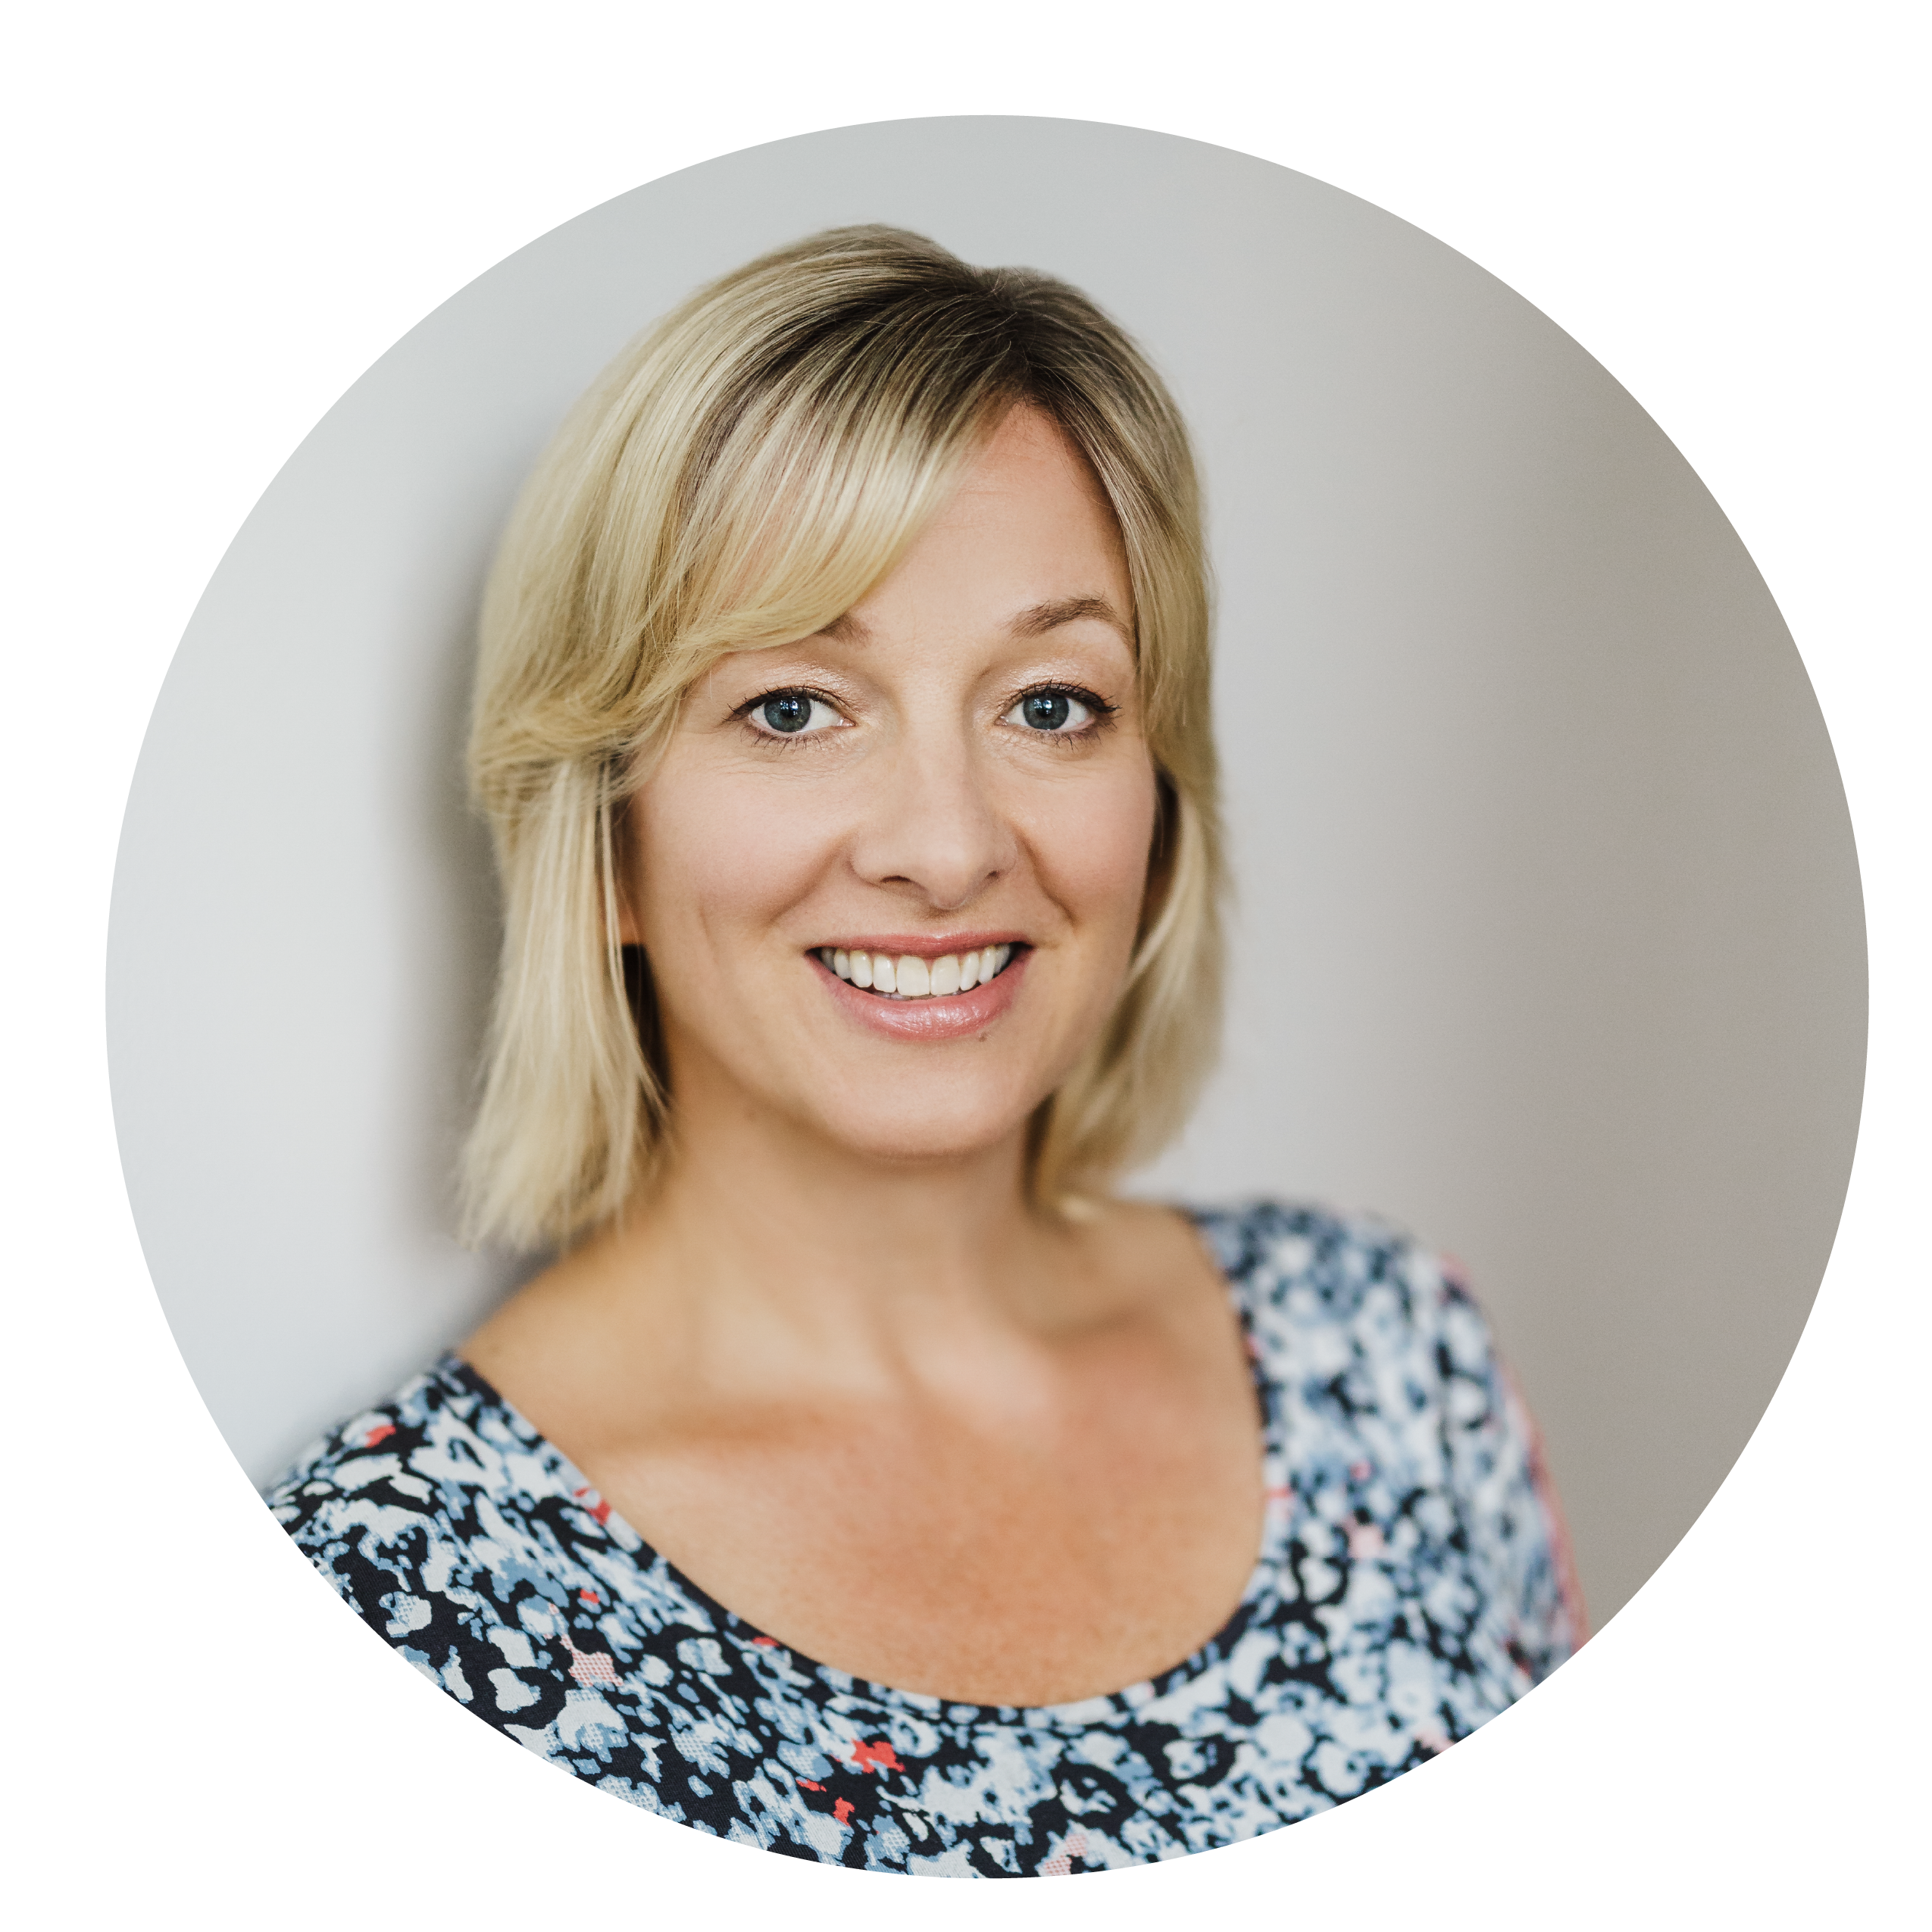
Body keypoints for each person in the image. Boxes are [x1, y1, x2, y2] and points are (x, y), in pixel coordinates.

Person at [267, 225, 1583, 1877]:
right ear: (601, 836)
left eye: (1050, 704)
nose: (948, 847)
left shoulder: (1395, 1366)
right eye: (796, 708)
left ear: (1159, 806)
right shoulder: (401, 1602)